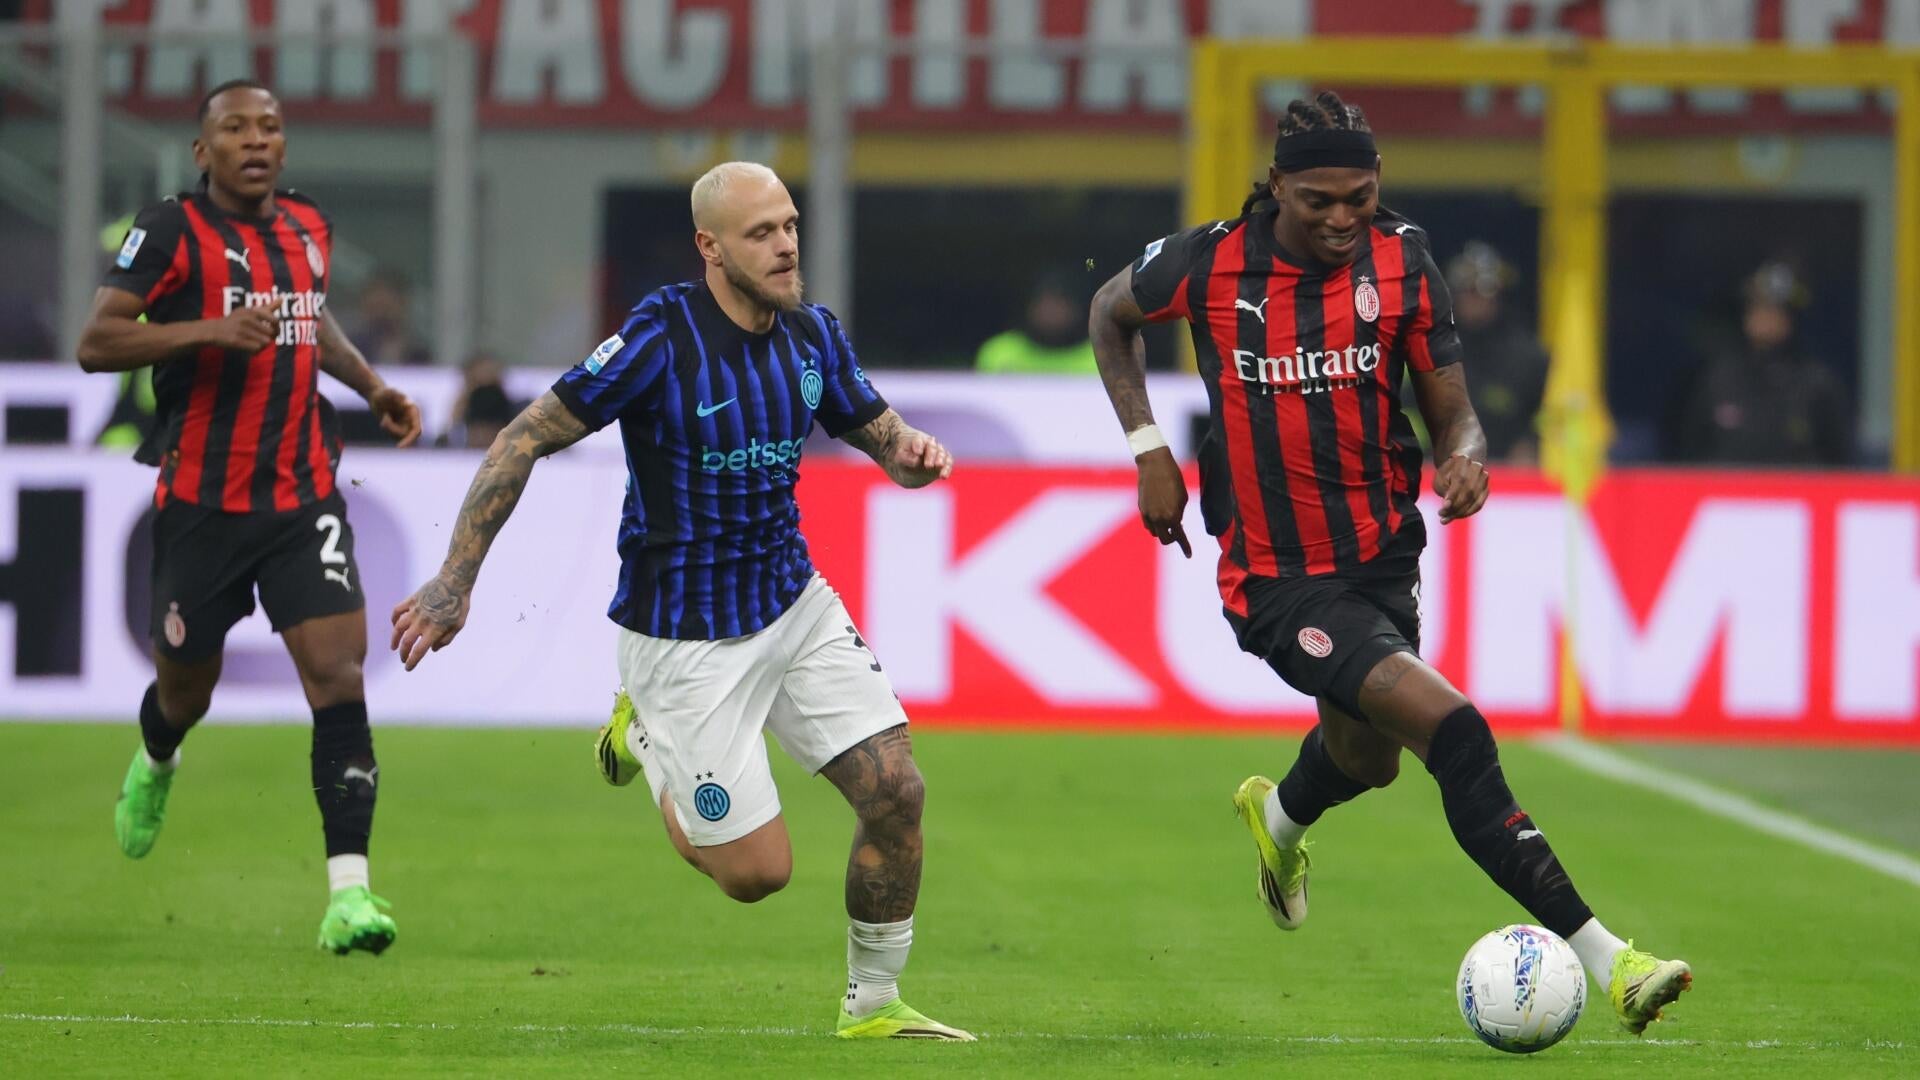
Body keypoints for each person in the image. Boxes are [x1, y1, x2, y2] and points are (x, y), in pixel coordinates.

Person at [1088, 90, 1691, 1035]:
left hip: (1382, 558)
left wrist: (1467, 455)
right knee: (1455, 733)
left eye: (1359, 199)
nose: (1341, 219)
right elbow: (1107, 311)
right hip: (1279, 580)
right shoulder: (1210, 261)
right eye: (1318, 201)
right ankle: (1612, 961)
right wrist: (1147, 449)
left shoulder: (1403, 259)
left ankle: (1279, 821)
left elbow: (1453, 408)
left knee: (1366, 760)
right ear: (1276, 186)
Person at [388, 162, 973, 1041]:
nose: (785, 246)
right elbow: (523, 437)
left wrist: (912, 456)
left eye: (790, 225)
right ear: (711, 247)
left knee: (897, 791)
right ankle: (644, 735)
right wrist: (454, 579)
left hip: (793, 603)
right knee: (756, 875)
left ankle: (874, 1002)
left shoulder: (813, 335)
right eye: (760, 233)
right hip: (684, 639)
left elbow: (884, 438)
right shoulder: (659, 337)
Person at [76, 79, 422, 956]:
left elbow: (312, 319)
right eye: (235, 128)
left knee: (338, 677)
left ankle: (349, 895)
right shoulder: (170, 231)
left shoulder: (307, 226)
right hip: (202, 505)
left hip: (303, 496)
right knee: (185, 692)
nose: (256, 140)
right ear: (204, 151)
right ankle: (157, 758)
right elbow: (97, 341)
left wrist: (372, 386)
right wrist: (208, 331)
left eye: (269, 126)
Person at [1672, 260, 1852, 466]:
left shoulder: (1817, 385)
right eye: (1757, 307)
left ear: (1790, 318)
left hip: (1793, 486)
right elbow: (1690, 456)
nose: (1764, 318)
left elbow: (1838, 463)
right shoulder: (1716, 380)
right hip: (1728, 486)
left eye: (1775, 310)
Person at [1445, 242, 1547, 464]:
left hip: (1505, 471)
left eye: (1483, 290)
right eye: (1466, 289)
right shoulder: (1432, 347)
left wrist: (1530, 444)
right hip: (1438, 466)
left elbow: (1541, 419)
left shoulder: (1528, 356)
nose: (1473, 299)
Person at [974, 270, 1099, 374]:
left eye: (1060, 303)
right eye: (1045, 303)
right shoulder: (999, 353)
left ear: (1078, 309)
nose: (1052, 311)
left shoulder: (1099, 355)